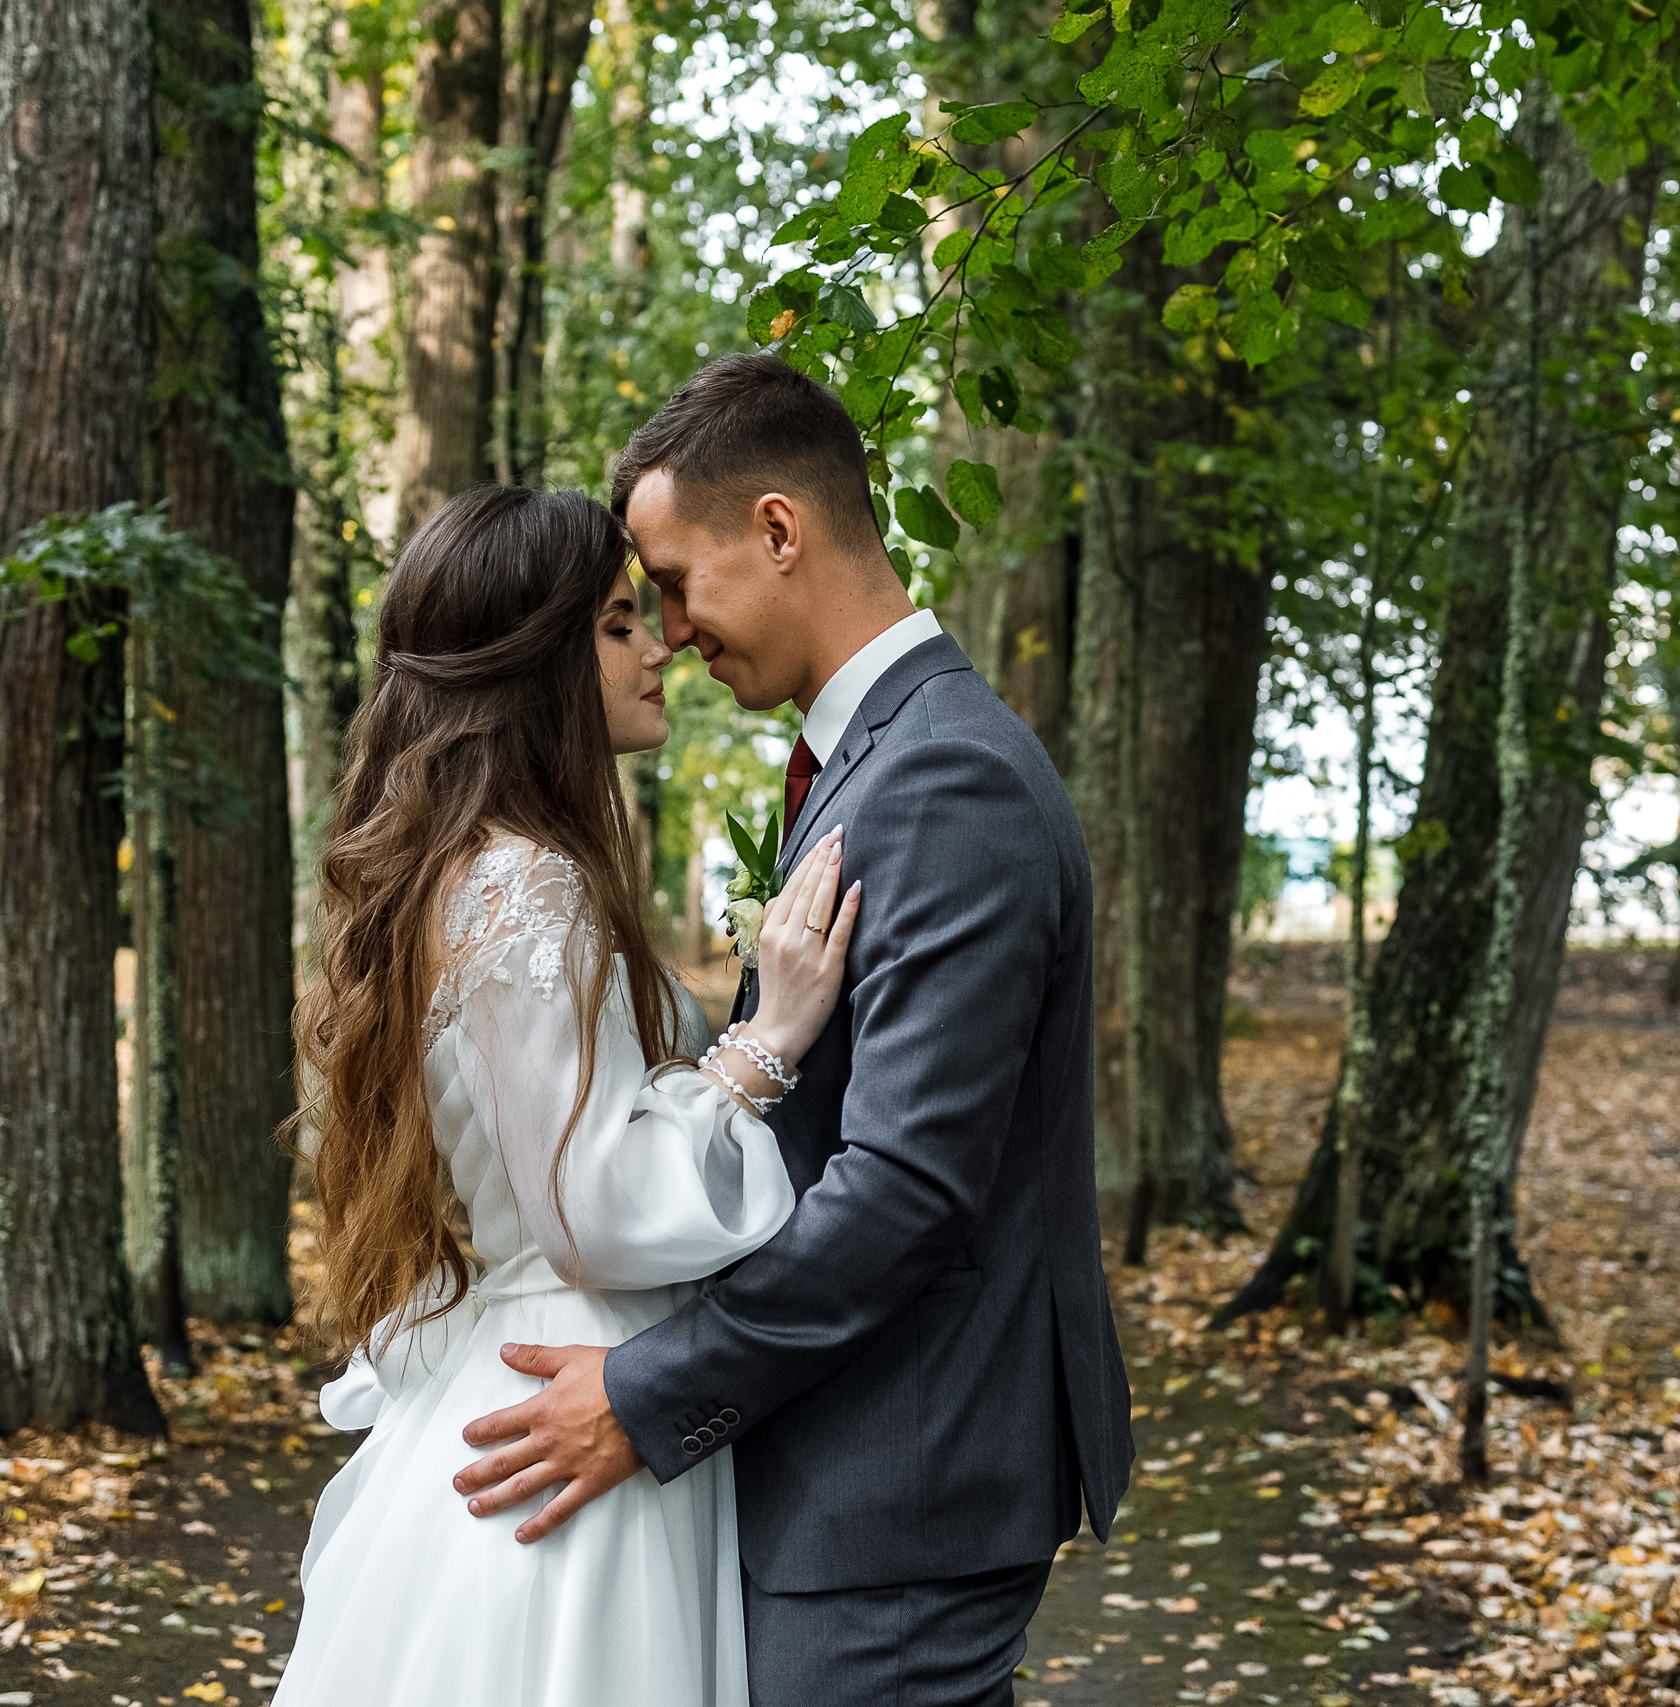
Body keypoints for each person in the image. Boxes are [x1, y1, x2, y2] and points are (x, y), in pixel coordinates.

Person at [450, 353, 1133, 1705]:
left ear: (776, 528)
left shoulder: (940, 774)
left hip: (901, 1475)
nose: (676, 633)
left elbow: (906, 1187)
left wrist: (648, 1392)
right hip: (857, 1459)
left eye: (675, 583)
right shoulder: (881, 756)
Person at [276, 484, 860, 1705]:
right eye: (612, 625)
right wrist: (769, 1039)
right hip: (575, 1380)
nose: (660, 647)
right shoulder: (527, 885)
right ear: (528, 662)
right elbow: (592, 1208)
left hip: (519, 1367)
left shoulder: (471, 869)